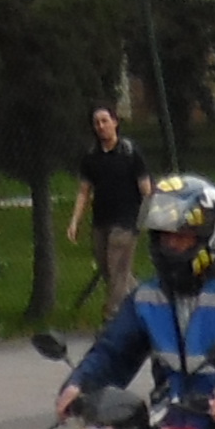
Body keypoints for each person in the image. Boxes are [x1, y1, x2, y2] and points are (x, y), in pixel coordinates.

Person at [49, 172, 215, 429]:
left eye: (182, 237)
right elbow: (113, 351)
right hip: (169, 425)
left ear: (207, 237)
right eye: (165, 237)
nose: (171, 245)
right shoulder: (145, 298)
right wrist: (79, 384)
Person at [67, 101, 151, 303]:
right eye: (96, 122)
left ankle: (113, 315)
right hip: (101, 220)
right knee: (109, 270)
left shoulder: (129, 153)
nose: (101, 126)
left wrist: (147, 218)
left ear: (115, 122)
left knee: (117, 269)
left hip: (126, 222)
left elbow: (146, 189)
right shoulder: (91, 157)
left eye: (105, 121)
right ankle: (144, 299)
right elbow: (84, 192)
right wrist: (74, 222)